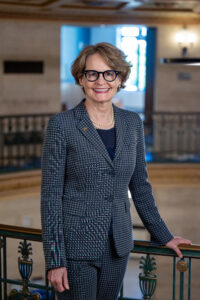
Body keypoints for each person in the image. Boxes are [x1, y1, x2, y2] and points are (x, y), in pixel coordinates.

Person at [41, 42, 191, 300]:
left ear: (120, 78)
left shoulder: (132, 123)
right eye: (92, 74)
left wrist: (163, 235)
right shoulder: (61, 125)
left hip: (118, 246)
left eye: (110, 73)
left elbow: (140, 186)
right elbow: (51, 197)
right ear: (81, 78)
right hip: (77, 248)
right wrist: (55, 260)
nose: (101, 81)